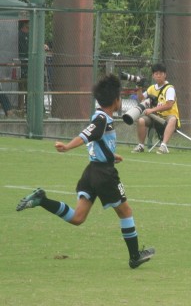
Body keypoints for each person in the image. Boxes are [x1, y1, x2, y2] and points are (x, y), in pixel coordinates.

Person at [16, 74, 155, 269]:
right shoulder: (102, 120)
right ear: (115, 100)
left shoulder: (101, 117)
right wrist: (67, 146)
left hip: (91, 172)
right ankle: (134, 256)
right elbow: (85, 136)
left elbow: (98, 141)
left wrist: (111, 156)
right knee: (125, 211)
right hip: (104, 175)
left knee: (78, 218)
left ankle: (42, 200)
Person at [132, 62, 179, 155]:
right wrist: (139, 88)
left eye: (161, 74)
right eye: (156, 74)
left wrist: (152, 110)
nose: (158, 76)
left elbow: (169, 105)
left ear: (165, 75)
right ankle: (141, 145)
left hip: (167, 116)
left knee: (173, 119)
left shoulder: (169, 88)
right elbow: (141, 99)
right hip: (155, 117)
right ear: (153, 75)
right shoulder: (151, 88)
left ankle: (163, 146)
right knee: (141, 120)